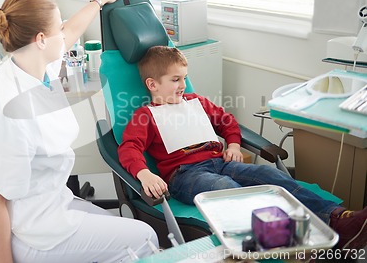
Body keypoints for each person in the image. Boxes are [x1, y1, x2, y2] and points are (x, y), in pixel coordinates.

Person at [118, 45, 367, 251]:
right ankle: (294, 239)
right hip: (185, 175)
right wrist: (145, 173)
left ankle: (337, 218)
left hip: (222, 163)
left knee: (271, 176)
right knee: (227, 190)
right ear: (152, 84)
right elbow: (129, 147)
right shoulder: (146, 116)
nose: (184, 84)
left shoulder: (197, 102)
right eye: (176, 79)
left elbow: (226, 121)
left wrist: (234, 143)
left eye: (184, 77)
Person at [0, 0, 158, 263]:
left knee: (120, 230)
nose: (64, 33)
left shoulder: (32, 66)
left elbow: (70, 32)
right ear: (40, 40)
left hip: (49, 203)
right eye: (57, 27)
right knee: (144, 237)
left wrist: (97, 2)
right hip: (25, 233)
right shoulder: (9, 111)